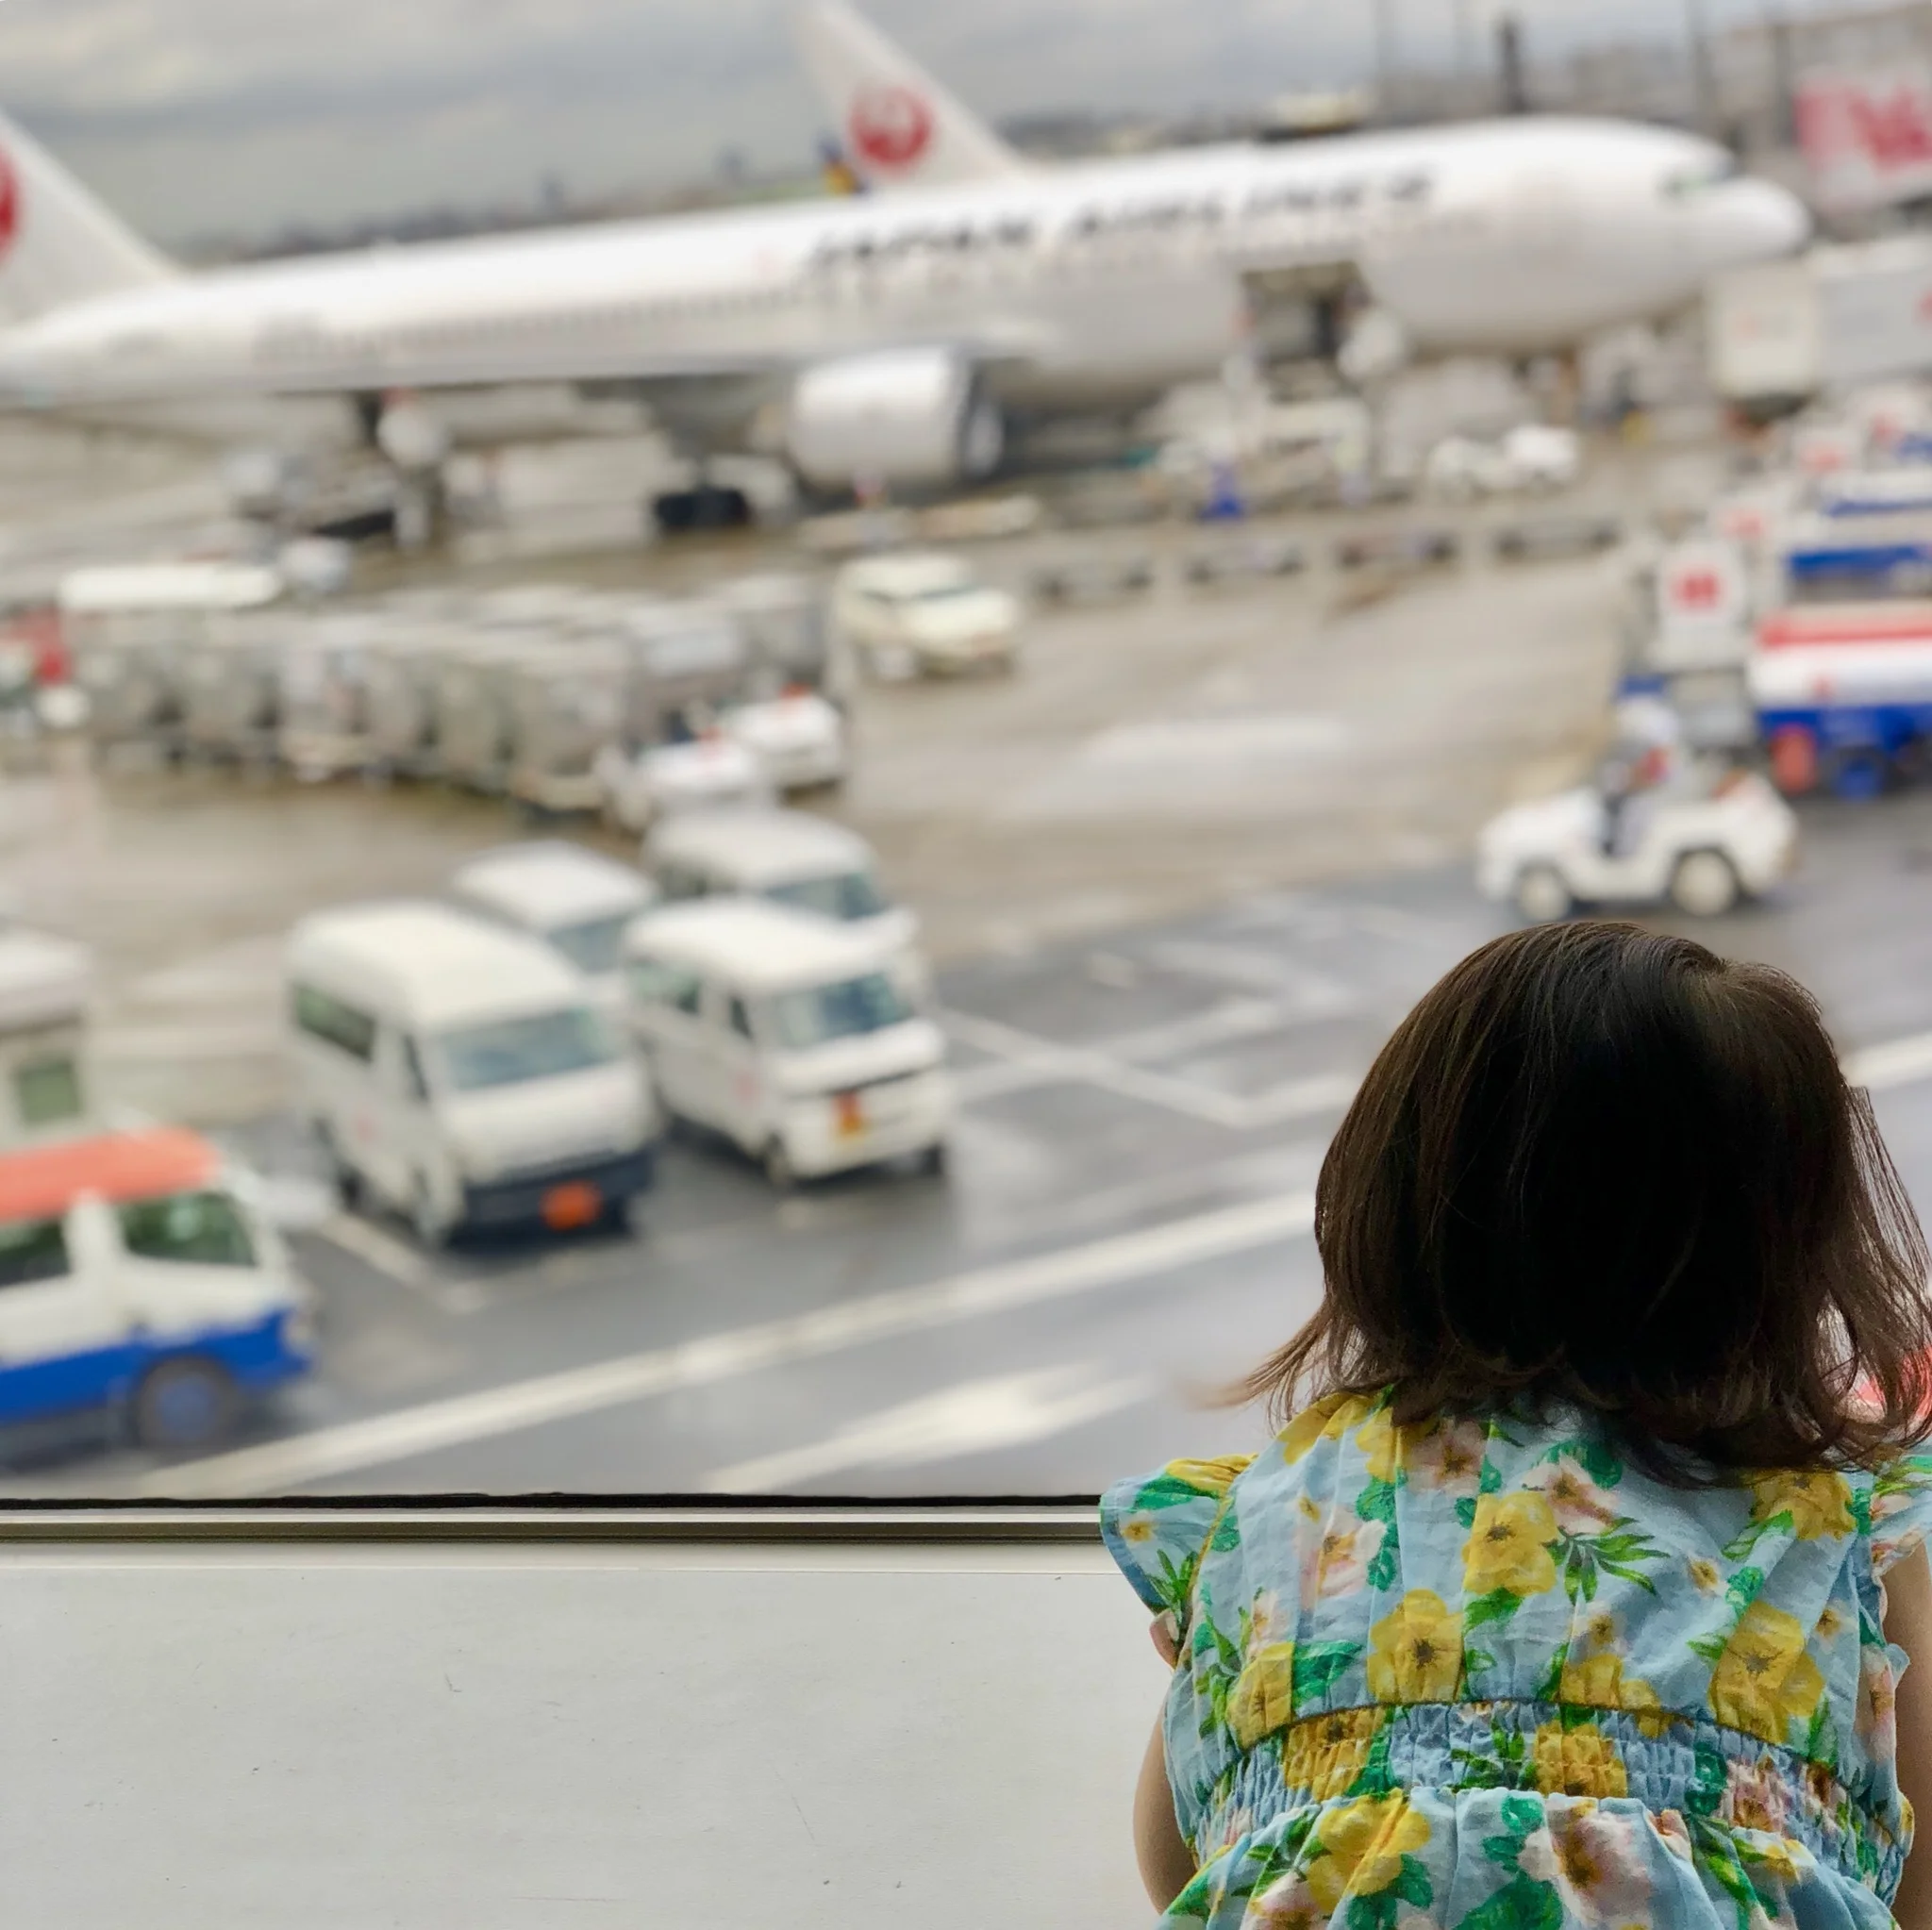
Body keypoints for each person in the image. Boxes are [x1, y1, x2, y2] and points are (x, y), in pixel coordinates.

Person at [1103, 923, 1932, 1930]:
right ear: (1791, 1257)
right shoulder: (1843, 1542)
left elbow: (1178, 1865)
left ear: (1391, 1200)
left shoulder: (1274, 1521)